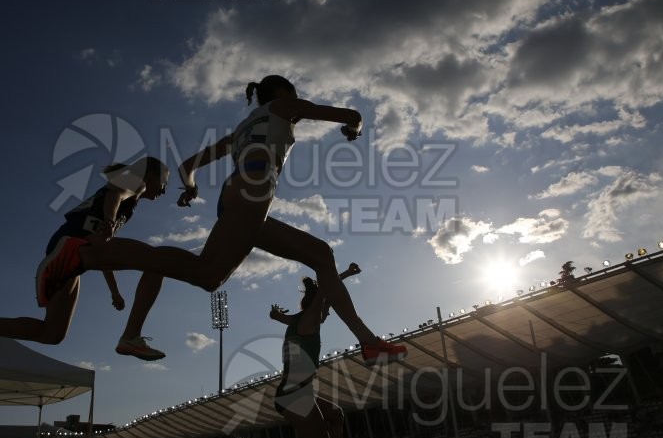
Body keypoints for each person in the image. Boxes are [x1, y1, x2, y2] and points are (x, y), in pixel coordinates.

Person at [38, 75, 407, 364]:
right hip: (254, 189)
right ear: (281, 92)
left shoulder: (242, 129)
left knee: (317, 255)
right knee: (205, 273)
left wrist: (191, 187)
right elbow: (351, 115)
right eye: (291, 95)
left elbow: (187, 165)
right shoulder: (282, 105)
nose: (295, 103)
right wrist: (353, 131)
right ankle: (85, 258)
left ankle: (368, 342)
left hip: (239, 198)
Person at [0, 157, 170, 360]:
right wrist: (108, 221)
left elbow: (104, 248)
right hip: (71, 246)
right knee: (159, 262)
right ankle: (131, 336)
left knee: (51, 334)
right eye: (165, 181)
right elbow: (115, 194)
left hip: (70, 253)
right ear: (150, 174)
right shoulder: (136, 183)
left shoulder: (128, 204)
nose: (165, 189)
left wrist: (114, 292)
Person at [270, 263, 360, 438]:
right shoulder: (311, 320)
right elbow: (324, 291)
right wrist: (346, 273)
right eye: (325, 309)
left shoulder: (297, 319)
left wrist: (274, 314)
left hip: (296, 392)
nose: (328, 313)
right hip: (295, 396)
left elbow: (277, 317)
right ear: (318, 306)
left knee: (336, 414)